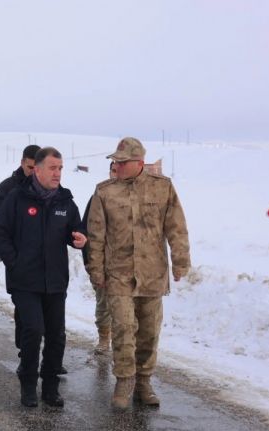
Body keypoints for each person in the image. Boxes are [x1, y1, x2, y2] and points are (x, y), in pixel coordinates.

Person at [86, 137, 191, 409]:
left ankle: (144, 381)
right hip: (118, 275)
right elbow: (95, 236)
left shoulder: (162, 188)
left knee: (148, 332)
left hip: (152, 274)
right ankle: (124, 381)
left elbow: (176, 227)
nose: (116, 166)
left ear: (139, 163)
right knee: (123, 328)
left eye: (122, 162)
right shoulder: (104, 192)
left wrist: (181, 262)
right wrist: (95, 270)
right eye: (115, 162)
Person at [0, 147, 86, 408]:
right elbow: (0, 233)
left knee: (56, 335)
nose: (57, 173)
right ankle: (28, 384)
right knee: (33, 330)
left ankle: (50, 386)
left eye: (60, 168)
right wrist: (15, 263)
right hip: (25, 281)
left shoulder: (64, 201)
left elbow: (75, 228)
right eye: (52, 168)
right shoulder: (17, 198)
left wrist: (79, 237)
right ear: (37, 169)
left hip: (55, 280)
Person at [82, 162, 116, 356]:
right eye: (113, 170)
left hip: (127, 265)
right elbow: (86, 231)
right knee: (104, 304)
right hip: (103, 263)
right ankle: (104, 338)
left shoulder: (136, 198)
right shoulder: (99, 197)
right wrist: (90, 262)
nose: (115, 174)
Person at [0, 144, 40, 221]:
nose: (34, 172)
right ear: (22, 163)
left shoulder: (50, 188)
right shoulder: (6, 187)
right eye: (30, 167)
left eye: (38, 168)